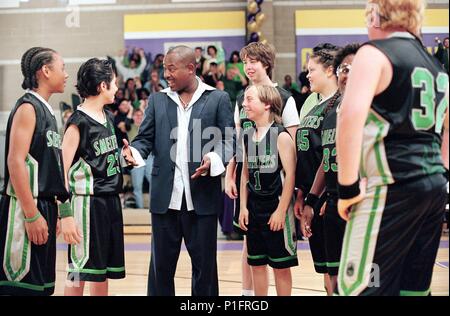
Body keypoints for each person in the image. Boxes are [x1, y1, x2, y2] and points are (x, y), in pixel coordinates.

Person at [336, 0, 449, 296]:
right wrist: (443, 172)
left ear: (375, 14)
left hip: (391, 185)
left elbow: (350, 117)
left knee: (359, 288)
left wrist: (347, 189)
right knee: (413, 290)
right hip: (434, 188)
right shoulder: (435, 64)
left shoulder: (373, 54)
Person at [122, 45, 234, 296]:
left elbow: (229, 140)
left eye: (171, 69)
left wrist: (214, 159)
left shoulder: (217, 99)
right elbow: (144, 139)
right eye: (164, 69)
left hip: (202, 201)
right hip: (165, 201)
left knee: (205, 271)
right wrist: (134, 153)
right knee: (160, 271)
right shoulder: (158, 100)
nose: (166, 75)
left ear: (191, 68)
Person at [225, 42, 300, 296]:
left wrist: (289, 201)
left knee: (278, 261)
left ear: (266, 63)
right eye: (244, 62)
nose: (247, 67)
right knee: (251, 249)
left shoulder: (286, 98)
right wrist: (229, 174)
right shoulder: (242, 100)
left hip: (276, 191)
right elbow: (238, 144)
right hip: (251, 188)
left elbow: (292, 153)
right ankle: (250, 296)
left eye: (252, 61)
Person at [0, 47, 69, 295]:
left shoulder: (48, 111)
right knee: (21, 287)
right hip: (24, 209)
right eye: (62, 68)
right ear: (46, 71)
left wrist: (57, 211)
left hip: (45, 207)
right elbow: (15, 162)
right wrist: (31, 214)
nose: (66, 74)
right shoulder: (28, 108)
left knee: (41, 288)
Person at [299, 43, 360, 296]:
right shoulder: (328, 110)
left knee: (364, 276)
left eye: (352, 69)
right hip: (331, 202)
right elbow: (327, 160)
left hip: (358, 205)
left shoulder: (366, 108)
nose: (346, 74)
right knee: (333, 278)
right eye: (343, 69)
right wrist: (311, 200)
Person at [61, 58, 125, 296]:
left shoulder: (107, 117)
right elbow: (62, 171)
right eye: (114, 83)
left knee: (101, 273)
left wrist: (123, 158)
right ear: (102, 86)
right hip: (86, 205)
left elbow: (100, 160)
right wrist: (64, 213)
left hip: (109, 202)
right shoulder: (78, 123)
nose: (117, 88)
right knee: (77, 271)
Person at [239, 85, 297, 296]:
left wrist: (281, 211)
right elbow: (244, 174)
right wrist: (243, 207)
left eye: (249, 99)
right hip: (253, 208)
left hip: (275, 207)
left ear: (267, 104)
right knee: (256, 263)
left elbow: (290, 175)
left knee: (280, 266)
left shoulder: (280, 136)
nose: (244, 104)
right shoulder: (246, 135)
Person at [293, 43, 341, 296]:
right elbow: (309, 156)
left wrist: (330, 197)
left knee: (340, 273)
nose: (308, 74)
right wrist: (304, 196)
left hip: (331, 199)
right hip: (314, 196)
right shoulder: (312, 105)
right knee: (326, 271)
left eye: (312, 69)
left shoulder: (340, 105)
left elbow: (335, 157)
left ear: (330, 70)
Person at [128, 109, 154, 209]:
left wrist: (144, 112)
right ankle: (140, 209)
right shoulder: (129, 126)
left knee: (154, 182)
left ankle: (153, 208)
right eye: (136, 115)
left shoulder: (147, 127)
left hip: (149, 157)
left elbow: (149, 118)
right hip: (135, 159)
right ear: (133, 117)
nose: (139, 117)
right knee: (137, 186)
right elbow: (126, 121)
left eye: (141, 115)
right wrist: (131, 111)